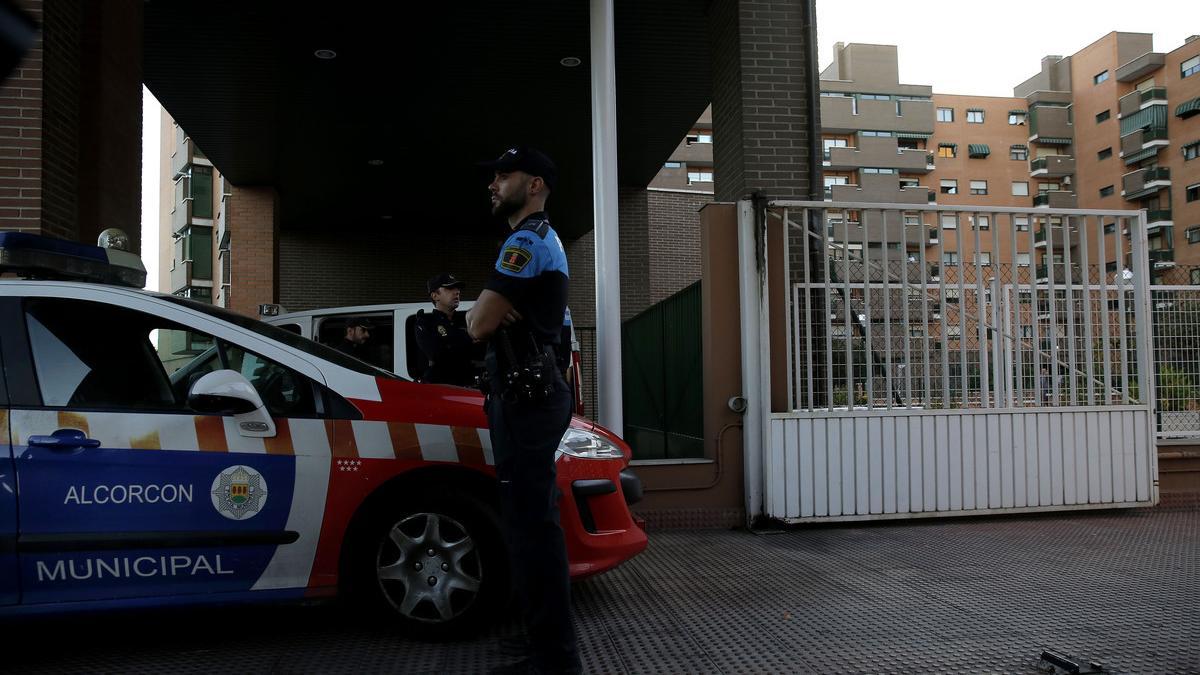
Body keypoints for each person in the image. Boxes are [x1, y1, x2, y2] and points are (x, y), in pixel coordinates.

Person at [466, 147, 579, 675]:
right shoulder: (541, 240)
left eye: (503, 174)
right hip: (530, 395)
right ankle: (543, 642)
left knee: (533, 528)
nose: (493, 182)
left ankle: (555, 661)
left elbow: (477, 324)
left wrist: (492, 309)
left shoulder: (525, 242)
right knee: (531, 524)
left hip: (526, 399)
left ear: (534, 184)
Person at [414, 272, 477, 386]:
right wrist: (468, 338)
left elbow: (479, 352)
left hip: (469, 390)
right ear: (435, 296)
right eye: (450, 288)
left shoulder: (467, 319)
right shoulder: (426, 322)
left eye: (457, 288)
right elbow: (437, 355)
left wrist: (452, 343)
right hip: (440, 392)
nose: (457, 291)